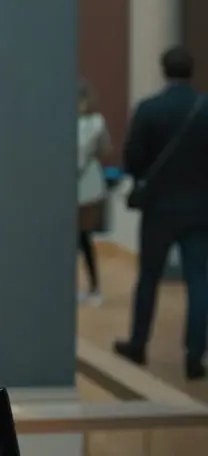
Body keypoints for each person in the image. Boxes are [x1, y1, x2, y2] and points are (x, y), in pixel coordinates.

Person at [114, 46, 208, 381]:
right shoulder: (205, 109)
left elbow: (132, 160)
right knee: (199, 281)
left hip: (158, 210)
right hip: (200, 209)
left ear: (164, 70)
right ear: (191, 71)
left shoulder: (150, 109)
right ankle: (195, 355)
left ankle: (139, 344)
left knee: (149, 279)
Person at [77, 79, 110, 305]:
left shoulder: (97, 123)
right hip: (83, 187)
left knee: (85, 239)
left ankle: (94, 288)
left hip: (88, 189)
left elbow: (105, 150)